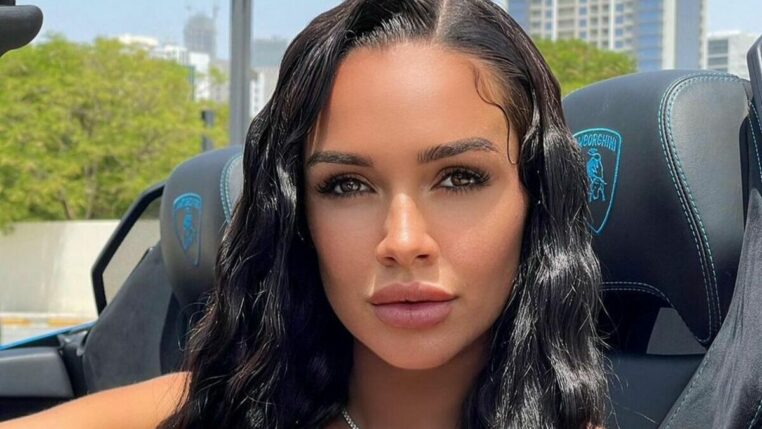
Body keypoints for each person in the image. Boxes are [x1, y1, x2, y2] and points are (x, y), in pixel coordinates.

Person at [0, 0, 608, 427]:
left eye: (459, 178)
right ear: (297, 219)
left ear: (536, 199)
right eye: (347, 186)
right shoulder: (202, 409)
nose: (402, 241)